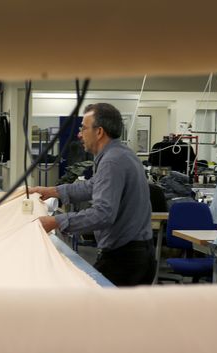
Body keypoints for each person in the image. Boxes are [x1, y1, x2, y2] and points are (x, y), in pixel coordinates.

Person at [28, 103, 155, 287]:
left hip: (125, 260)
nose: (80, 134)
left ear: (99, 132)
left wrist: (55, 222)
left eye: (84, 128)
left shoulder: (112, 161)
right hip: (137, 254)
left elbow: (103, 214)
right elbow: (93, 186)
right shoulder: (121, 154)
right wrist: (52, 191)